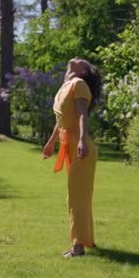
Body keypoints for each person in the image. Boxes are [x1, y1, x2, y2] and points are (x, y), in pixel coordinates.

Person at [42, 57, 102, 258]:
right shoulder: (65, 86)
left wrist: (83, 141)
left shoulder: (79, 84)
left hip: (81, 148)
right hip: (71, 146)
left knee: (77, 198)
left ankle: (78, 247)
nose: (77, 58)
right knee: (76, 196)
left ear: (84, 71)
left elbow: (83, 116)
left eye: (82, 61)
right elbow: (62, 121)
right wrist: (51, 143)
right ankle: (84, 240)